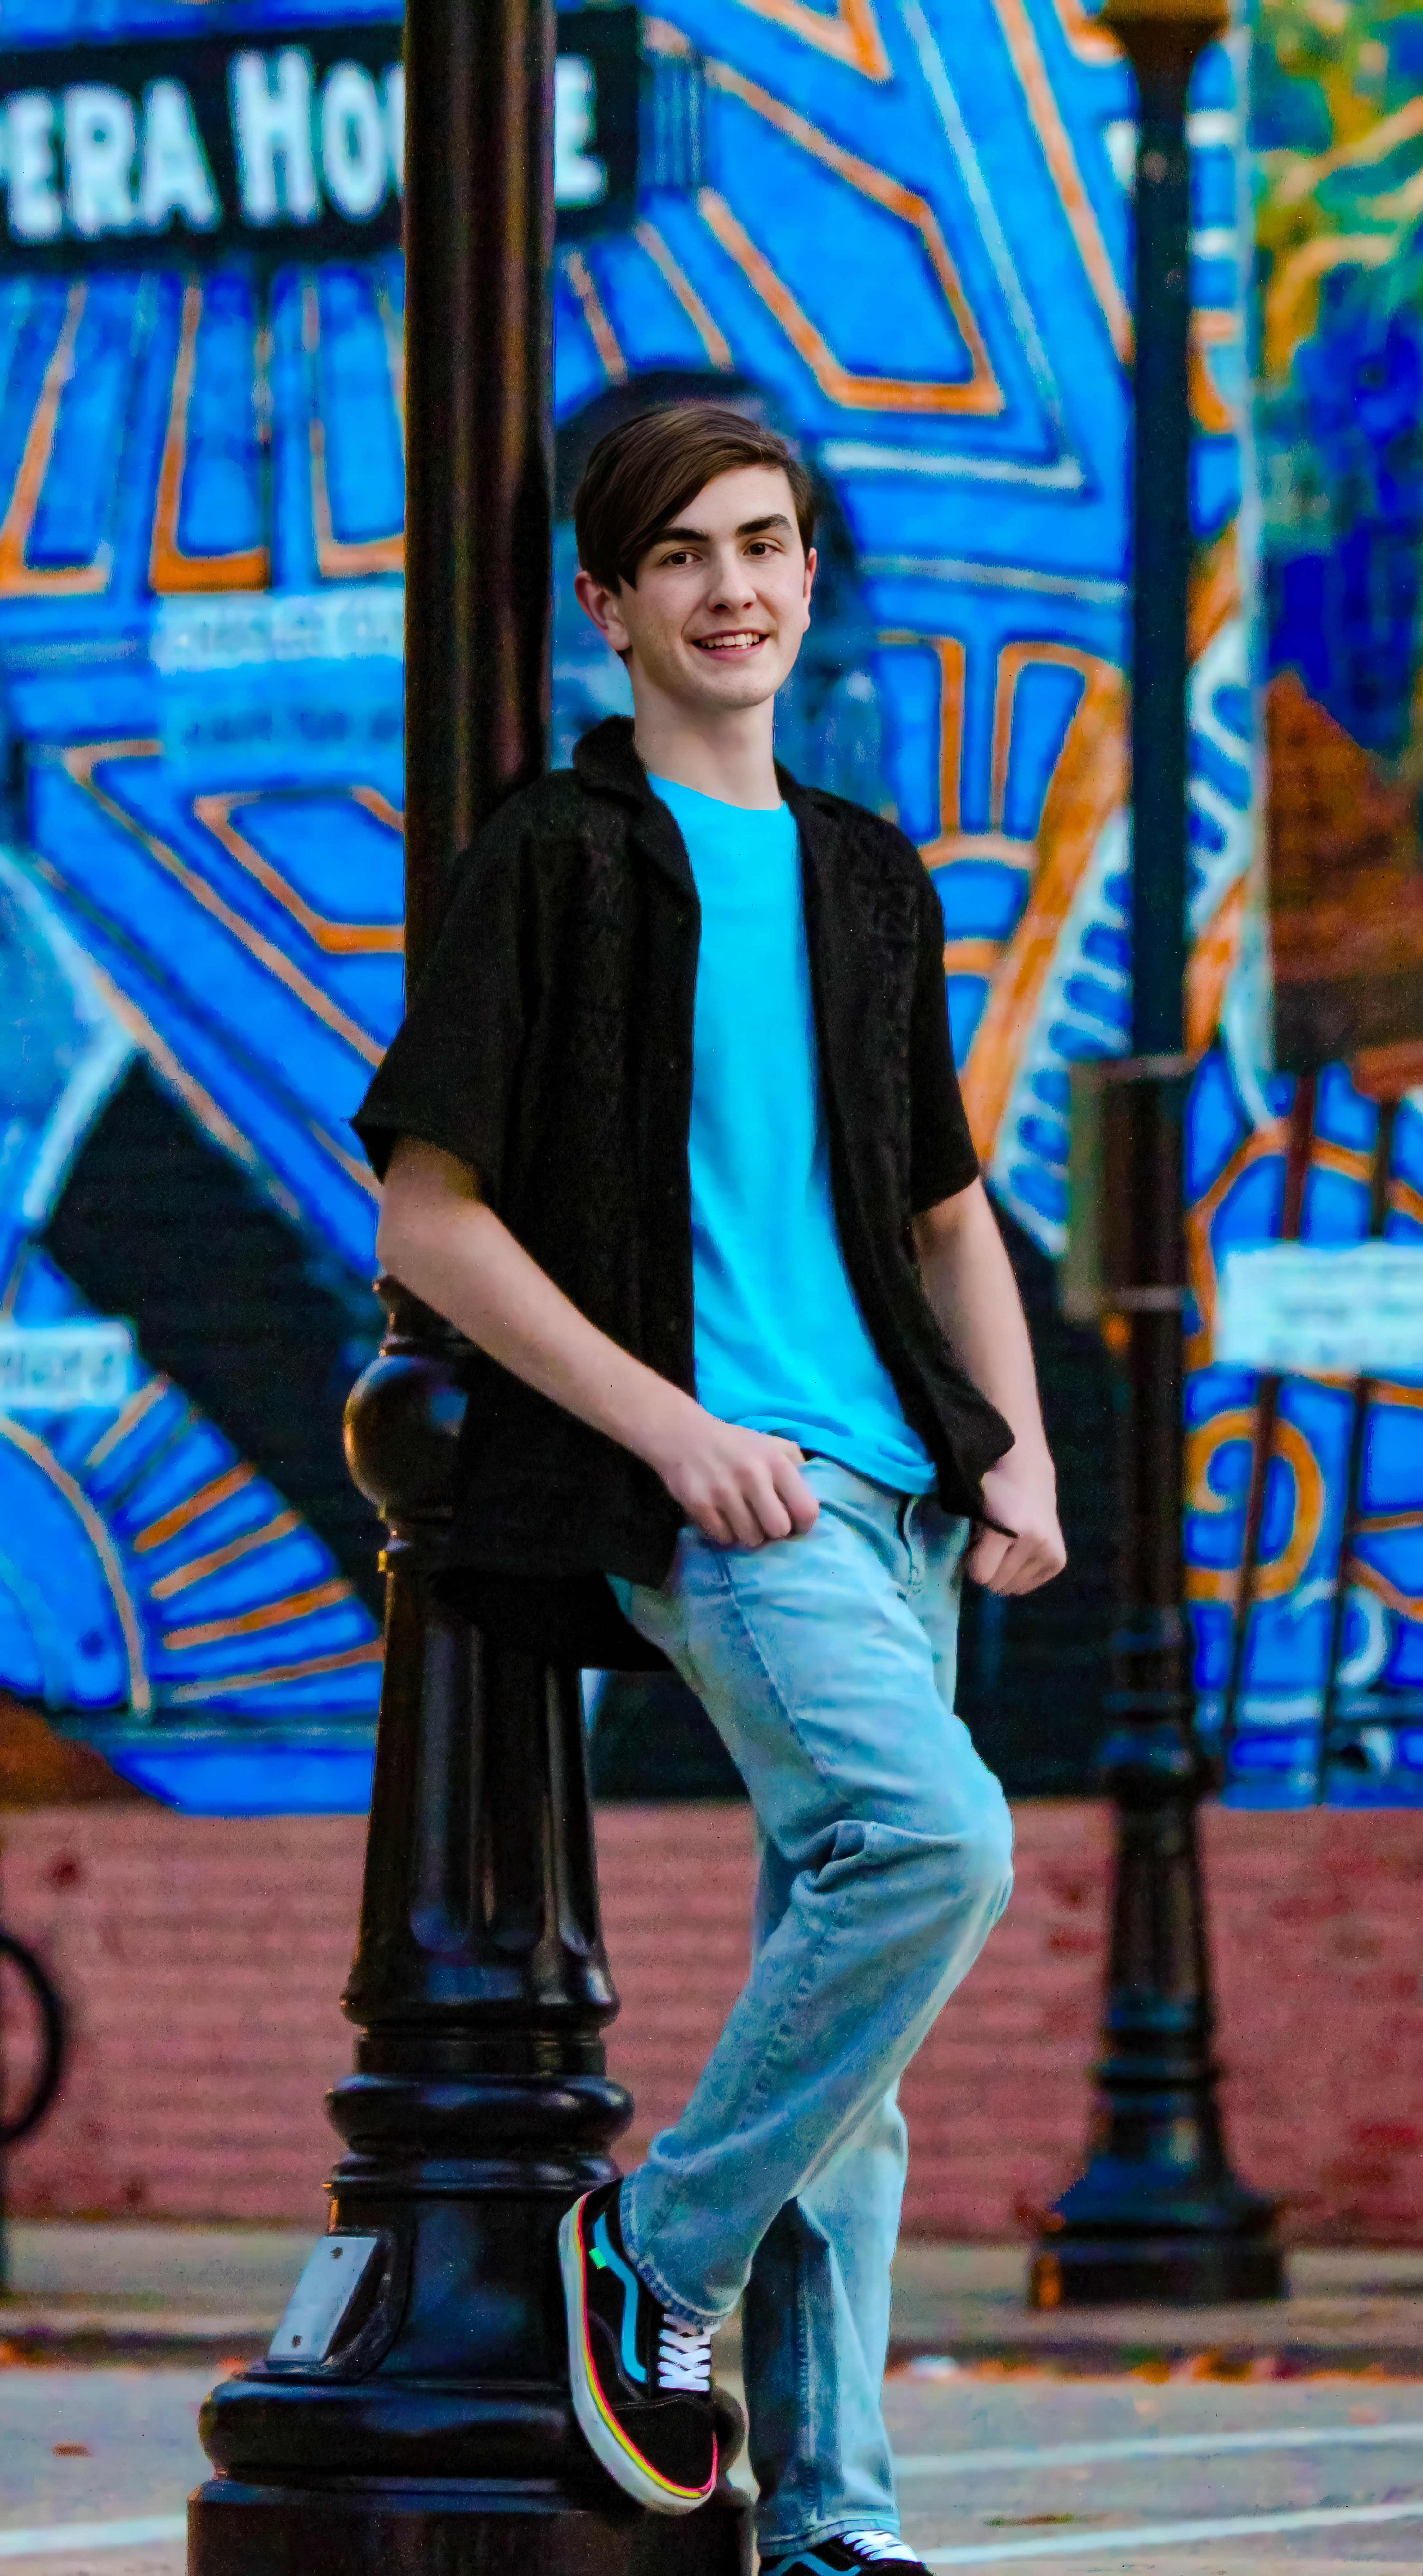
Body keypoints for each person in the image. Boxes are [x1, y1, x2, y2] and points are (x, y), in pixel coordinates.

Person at [355, 403, 1065, 2575]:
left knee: (850, 2006)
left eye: (766, 546)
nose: (735, 586)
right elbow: (428, 1214)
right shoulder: (555, 858)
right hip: (723, 1500)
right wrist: (669, 1430)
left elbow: (944, 1207)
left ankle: (831, 2523)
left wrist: (1014, 1439)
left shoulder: (866, 871)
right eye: (683, 557)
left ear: (806, 578)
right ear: (612, 605)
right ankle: (646, 2258)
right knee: (930, 1847)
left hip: (901, 1499)